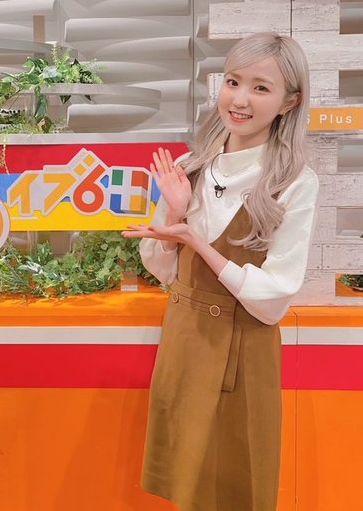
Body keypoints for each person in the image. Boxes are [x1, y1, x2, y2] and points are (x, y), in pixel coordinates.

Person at [122, 32, 319, 511]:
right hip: (184, 340)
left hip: (244, 349)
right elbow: (162, 269)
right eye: (233, 82)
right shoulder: (189, 167)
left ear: (289, 102)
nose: (240, 100)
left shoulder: (294, 182)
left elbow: (274, 299)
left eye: (260, 88)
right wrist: (174, 215)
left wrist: (198, 244)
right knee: (183, 482)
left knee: (235, 485)